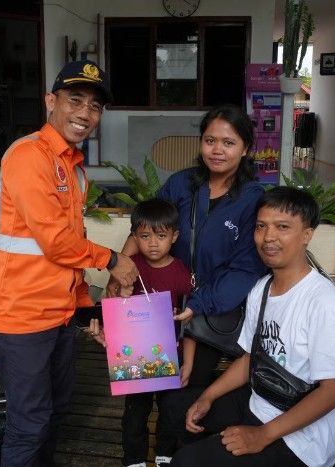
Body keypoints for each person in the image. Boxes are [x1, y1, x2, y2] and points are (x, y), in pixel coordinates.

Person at [0, 59, 138, 467]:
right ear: (51, 101)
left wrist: (85, 308)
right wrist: (114, 260)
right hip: (22, 315)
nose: (86, 113)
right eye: (75, 100)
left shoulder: (74, 168)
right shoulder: (29, 155)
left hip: (59, 313)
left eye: (95, 106)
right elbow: (55, 243)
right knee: (29, 423)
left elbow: (72, 250)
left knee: (56, 410)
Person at [170, 186, 335, 467]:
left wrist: (262, 435)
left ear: (307, 234)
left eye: (283, 227)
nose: (268, 237)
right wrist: (208, 396)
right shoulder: (262, 289)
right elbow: (250, 358)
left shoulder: (323, 302)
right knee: (177, 408)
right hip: (263, 398)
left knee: (186, 462)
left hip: (305, 439)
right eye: (261, 226)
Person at [107, 103, 267, 392]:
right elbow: (144, 228)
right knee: (139, 380)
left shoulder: (253, 200)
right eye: (210, 140)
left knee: (183, 390)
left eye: (228, 143)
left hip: (212, 310)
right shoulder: (181, 183)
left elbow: (245, 269)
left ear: (245, 149)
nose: (217, 150)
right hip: (160, 300)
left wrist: (198, 303)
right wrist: (120, 270)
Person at [119, 198, 195, 467]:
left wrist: (188, 361)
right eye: (144, 236)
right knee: (135, 411)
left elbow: (190, 324)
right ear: (134, 237)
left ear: (174, 236)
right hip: (136, 357)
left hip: (171, 355)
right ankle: (134, 459)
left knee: (171, 410)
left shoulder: (181, 274)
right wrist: (121, 295)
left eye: (161, 236)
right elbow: (118, 313)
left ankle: (165, 455)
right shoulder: (129, 269)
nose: (153, 243)